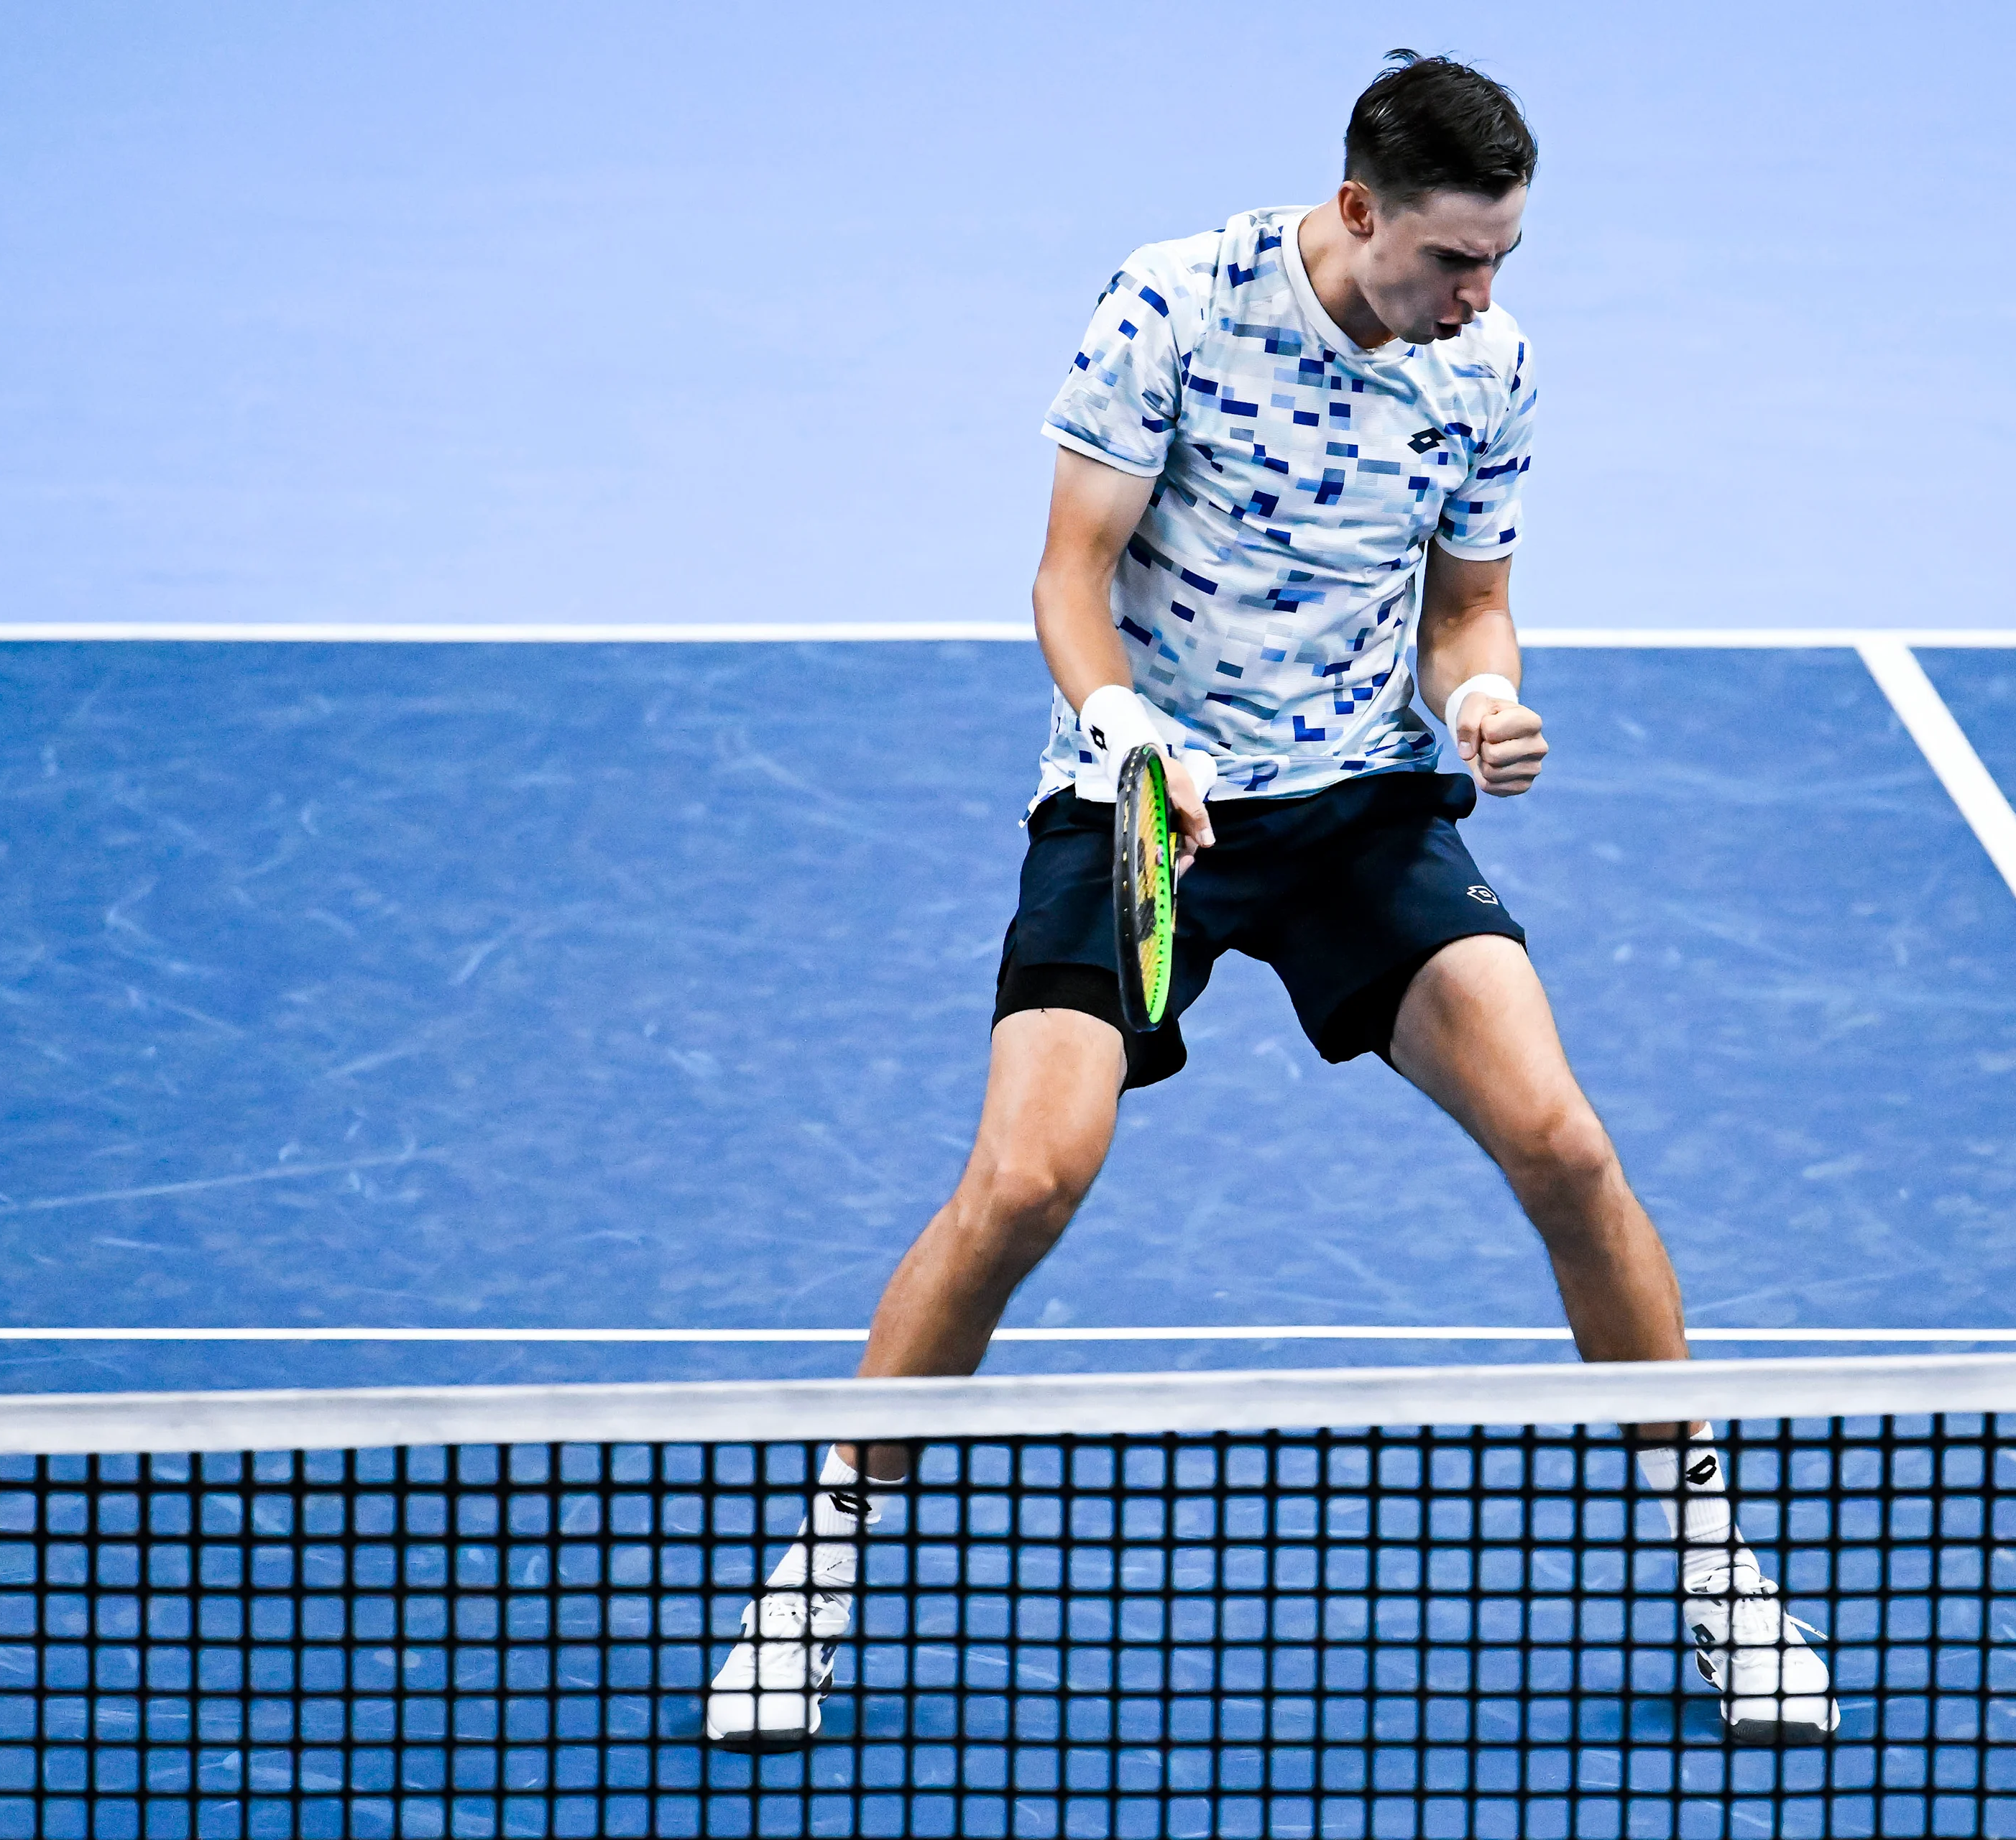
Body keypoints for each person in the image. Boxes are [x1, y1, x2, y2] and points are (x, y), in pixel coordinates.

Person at [707, 51, 1834, 1754]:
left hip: (1356, 807)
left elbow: (1471, 608)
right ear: (1361, 209)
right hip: (1145, 800)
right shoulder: (1171, 306)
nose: (1481, 294)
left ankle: (1716, 1564)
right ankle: (812, 1581)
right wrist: (1125, 724)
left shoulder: (1492, 369)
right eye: (1455, 257)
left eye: (1505, 260)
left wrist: (1480, 696)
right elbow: (1067, 575)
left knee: (1569, 1146)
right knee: (1023, 1180)